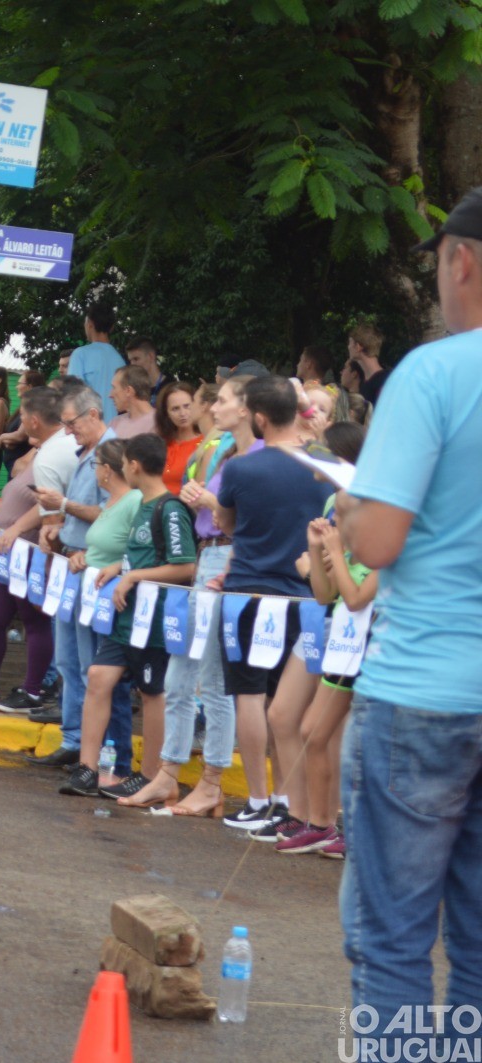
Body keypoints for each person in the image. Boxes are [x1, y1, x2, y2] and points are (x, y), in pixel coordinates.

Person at [336, 190, 482, 1044]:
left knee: (392, 937)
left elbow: (380, 540)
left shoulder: (433, 372)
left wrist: (351, 509)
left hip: (424, 687)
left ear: (460, 261)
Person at [209, 373, 333, 833]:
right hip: (306, 593)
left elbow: (226, 522)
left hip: (248, 592)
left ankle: (259, 799)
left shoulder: (242, 467)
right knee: (288, 706)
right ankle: (288, 801)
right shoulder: (326, 462)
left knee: (250, 695)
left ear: (259, 418)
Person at [62, 434, 196, 802]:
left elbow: (185, 566)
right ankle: (88, 768)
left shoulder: (169, 508)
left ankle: (150, 775)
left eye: (124, 463)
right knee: (98, 676)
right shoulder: (141, 505)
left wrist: (133, 576)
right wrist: (117, 568)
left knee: (152, 693)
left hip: (153, 620)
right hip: (125, 616)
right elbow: (139, 556)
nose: (122, 468)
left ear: (134, 465)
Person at [270, 422, 373, 856]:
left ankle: (345, 828)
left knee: (350, 742)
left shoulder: (381, 554)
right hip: (342, 640)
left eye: (343, 518)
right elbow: (324, 595)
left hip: (368, 646)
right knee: (312, 730)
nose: (337, 523)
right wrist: (318, 550)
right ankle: (321, 824)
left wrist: (331, 553)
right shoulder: (341, 518)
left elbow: (355, 597)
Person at [157, 375, 250, 818]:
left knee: (212, 679)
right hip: (207, 551)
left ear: (246, 408)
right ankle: (168, 772)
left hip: (224, 556)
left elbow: (243, 522)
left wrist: (210, 503)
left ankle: (211, 782)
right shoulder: (226, 449)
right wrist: (203, 501)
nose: (211, 406)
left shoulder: (253, 454)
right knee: (180, 672)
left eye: (222, 399)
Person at [0, 387, 73, 711]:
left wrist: (19, 528)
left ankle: (32, 690)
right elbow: (18, 498)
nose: (19, 422)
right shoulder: (42, 451)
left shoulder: (57, 453)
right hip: (9, 550)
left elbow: (49, 504)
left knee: (34, 620)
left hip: (31, 550)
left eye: (22, 416)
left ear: (33, 420)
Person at [28, 385, 128, 762]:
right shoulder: (86, 452)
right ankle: (73, 742)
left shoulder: (111, 454)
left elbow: (112, 512)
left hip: (92, 567)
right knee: (68, 660)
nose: (68, 431)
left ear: (93, 415)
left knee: (89, 665)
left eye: (72, 423)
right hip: (72, 562)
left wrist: (64, 505)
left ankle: (93, 749)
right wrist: (59, 526)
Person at [69, 303, 124, 420]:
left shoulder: (80, 354)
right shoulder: (120, 359)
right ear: (112, 327)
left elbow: (72, 396)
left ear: (90, 323)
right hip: (116, 428)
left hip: (90, 427)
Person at [155, 382, 202, 494]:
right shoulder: (160, 443)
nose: (182, 413)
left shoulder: (205, 442)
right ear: (166, 413)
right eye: (175, 409)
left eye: (187, 406)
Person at [346, 322, 389, 407]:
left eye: (350, 343)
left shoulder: (385, 381)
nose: (348, 347)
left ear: (358, 347)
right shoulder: (364, 382)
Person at [107, 365, 157, 438]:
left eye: (114, 388)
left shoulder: (159, 423)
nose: (110, 395)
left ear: (128, 391)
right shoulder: (114, 423)